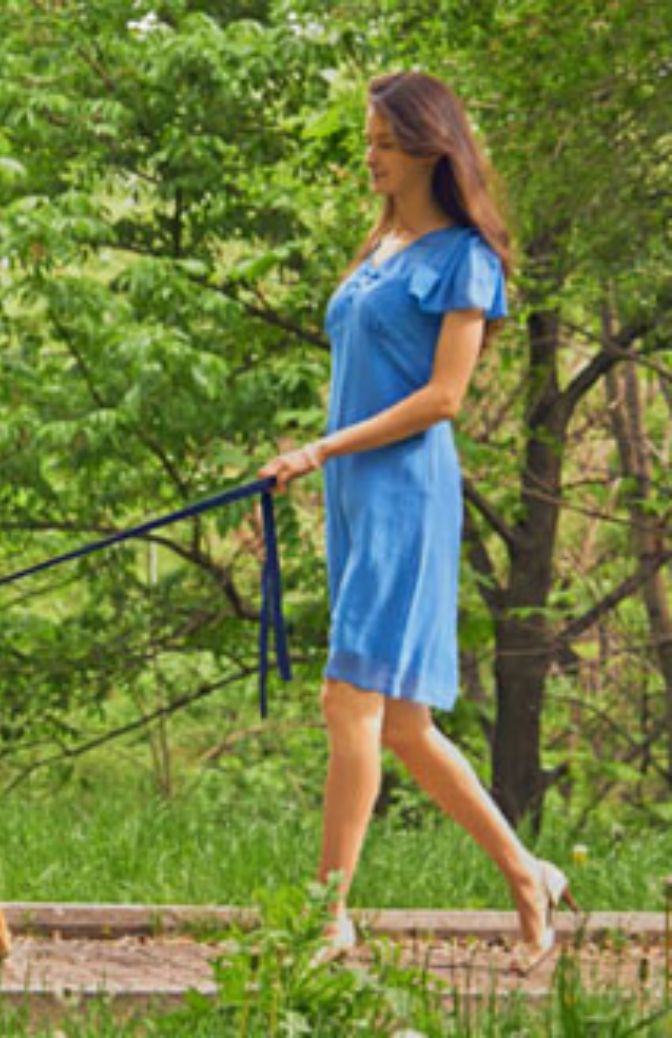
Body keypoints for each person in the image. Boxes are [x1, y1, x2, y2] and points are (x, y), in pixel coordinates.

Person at [258, 71, 574, 972]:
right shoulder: (386, 243)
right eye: (369, 140)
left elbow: (442, 398)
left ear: (433, 149)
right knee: (401, 725)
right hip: (353, 494)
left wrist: (320, 449)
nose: (371, 156)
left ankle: (329, 916)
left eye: (386, 144)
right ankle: (526, 874)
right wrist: (323, 463)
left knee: (346, 700)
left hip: (403, 493)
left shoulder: (463, 259)